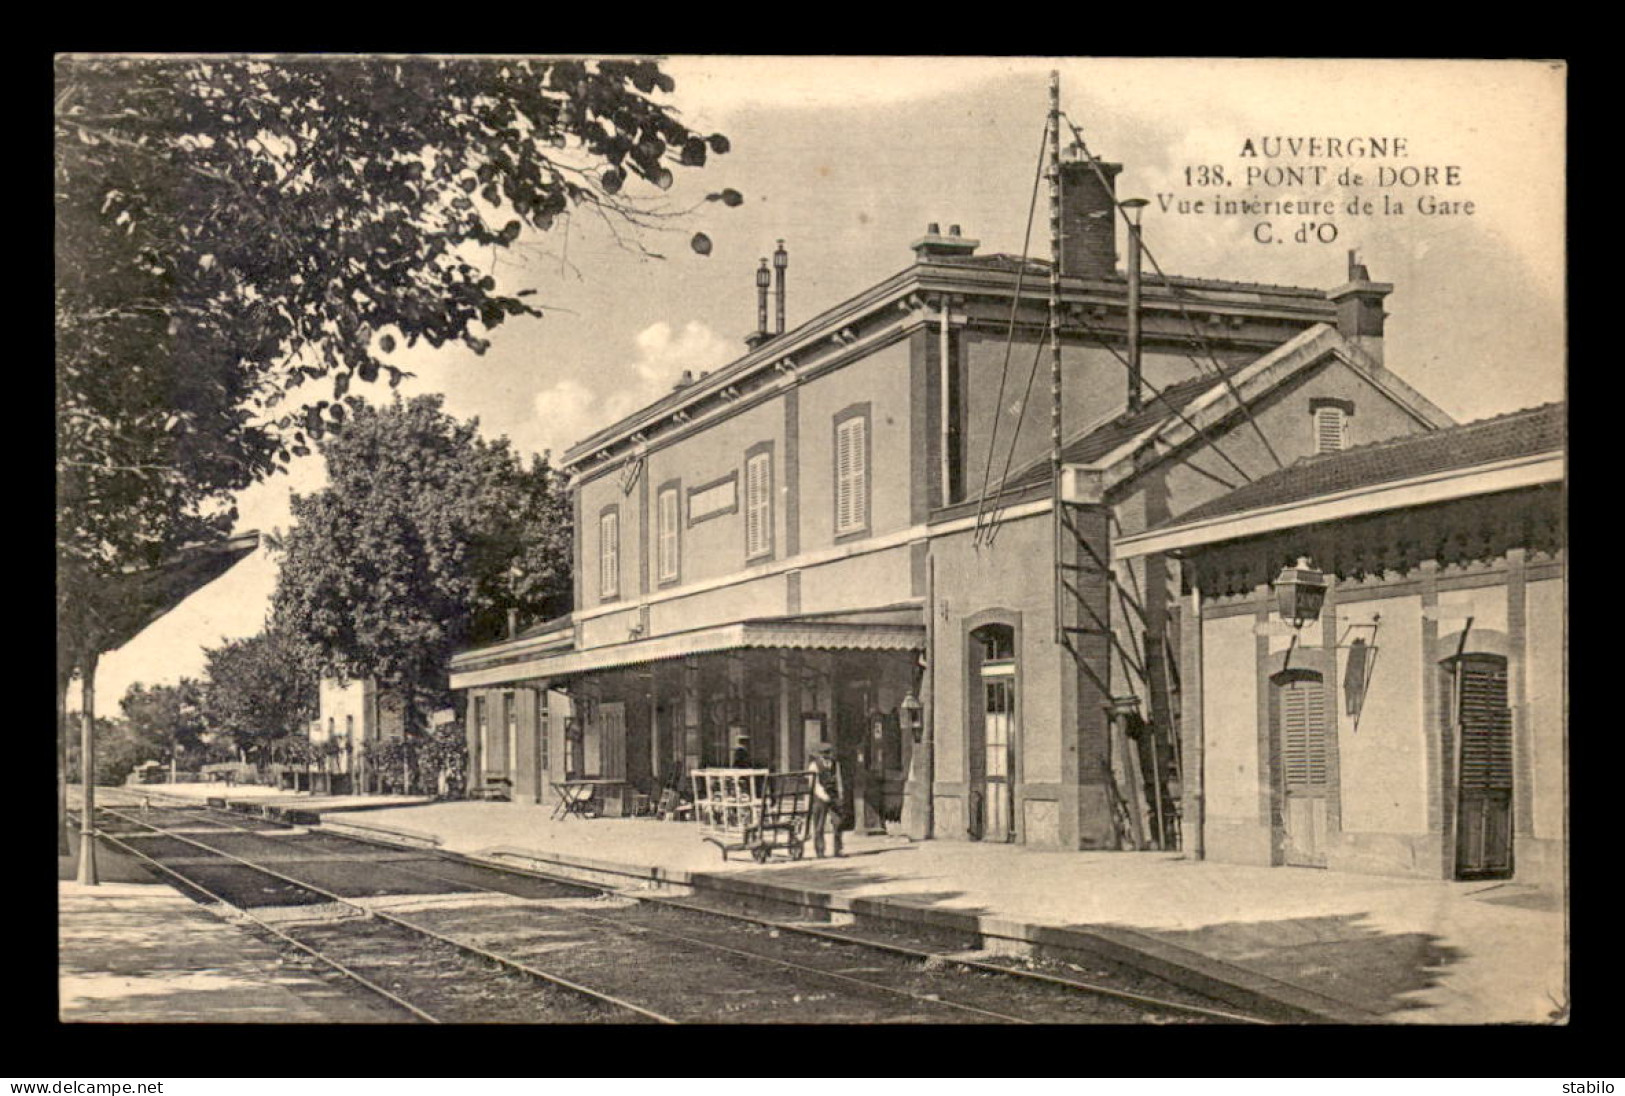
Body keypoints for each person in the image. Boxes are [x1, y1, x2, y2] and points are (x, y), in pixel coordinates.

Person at [808, 742, 844, 858]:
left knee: (838, 822)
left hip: (833, 795)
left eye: (829, 753)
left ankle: (838, 850)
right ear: (820, 755)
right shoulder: (814, 766)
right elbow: (814, 784)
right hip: (820, 797)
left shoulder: (834, 764)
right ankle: (820, 851)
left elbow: (839, 779)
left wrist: (840, 794)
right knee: (819, 825)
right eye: (825, 753)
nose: (828, 755)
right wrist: (823, 796)